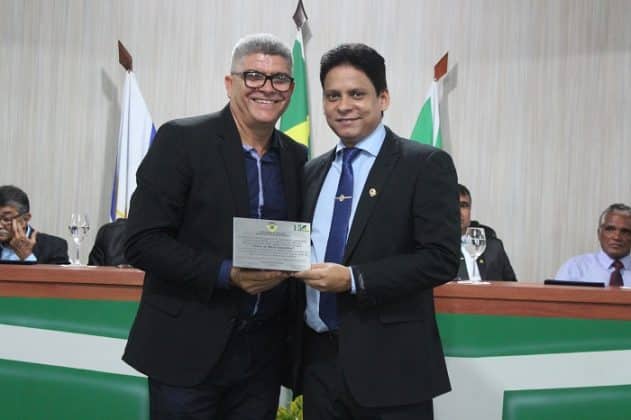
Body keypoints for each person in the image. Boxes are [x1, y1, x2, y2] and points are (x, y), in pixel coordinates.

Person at [122, 33, 308, 420]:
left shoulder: (298, 157)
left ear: (291, 89)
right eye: (254, 76)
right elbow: (142, 241)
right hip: (186, 348)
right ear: (229, 83)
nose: (267, 88)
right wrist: (227, 274)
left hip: (262, 356)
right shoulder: (182, 140)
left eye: (280, 79)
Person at [292, 43, 460, 420]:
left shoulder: (423, 164)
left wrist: (354, 279)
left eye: (357, 94)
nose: (343, 106)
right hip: (319, 365)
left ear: (383, 99)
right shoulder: (311, 172)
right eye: (333, 96)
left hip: (392, 369)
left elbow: (441, 259)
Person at [555, 203, 631, 286]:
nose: (617, 237)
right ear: (599, 234)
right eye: (610, 229)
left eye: (625, 231)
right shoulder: (575, 268)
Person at [458, 184, 517, 281]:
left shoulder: (494, 248)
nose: (458, 212)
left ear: (470, 210)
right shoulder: (435, 249)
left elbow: (512, 286)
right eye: (452, 205)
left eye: (463, 206)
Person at [0, 185, 69, 264]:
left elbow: (57, 272)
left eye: (6, 219)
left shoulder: (54, 247)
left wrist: (27, 257)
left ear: (25, 219)